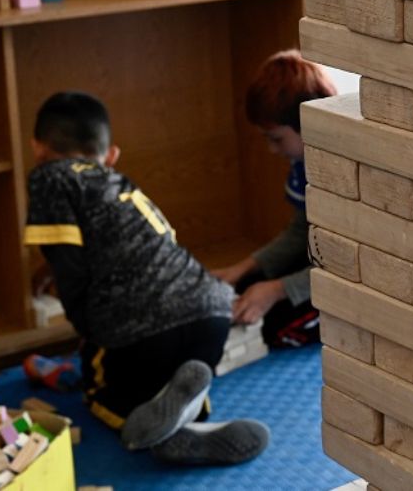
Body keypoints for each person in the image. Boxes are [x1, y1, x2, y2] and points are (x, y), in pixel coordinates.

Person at [24, 91, 268, 465]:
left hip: (144, 333)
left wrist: (90, 336)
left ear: (38, 148)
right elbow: (117, 250)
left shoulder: (49, 178)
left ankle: (155, 432)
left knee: (99, 388)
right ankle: (190, 416)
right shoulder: (115, 184)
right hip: (210, 315)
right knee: (169, 377)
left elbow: (72, 272)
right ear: (110, 155)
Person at [215, 50, 337, 347]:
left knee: (273, 327)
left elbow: (347, 264)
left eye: (276, 139)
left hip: (347, 277)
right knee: (242, 290)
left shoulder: (340, 172)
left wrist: (278, 289)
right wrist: (246, 267)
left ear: (307, 123)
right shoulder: (303, 163)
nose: (272, 150)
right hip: (321, 262)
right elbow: (300, 230)